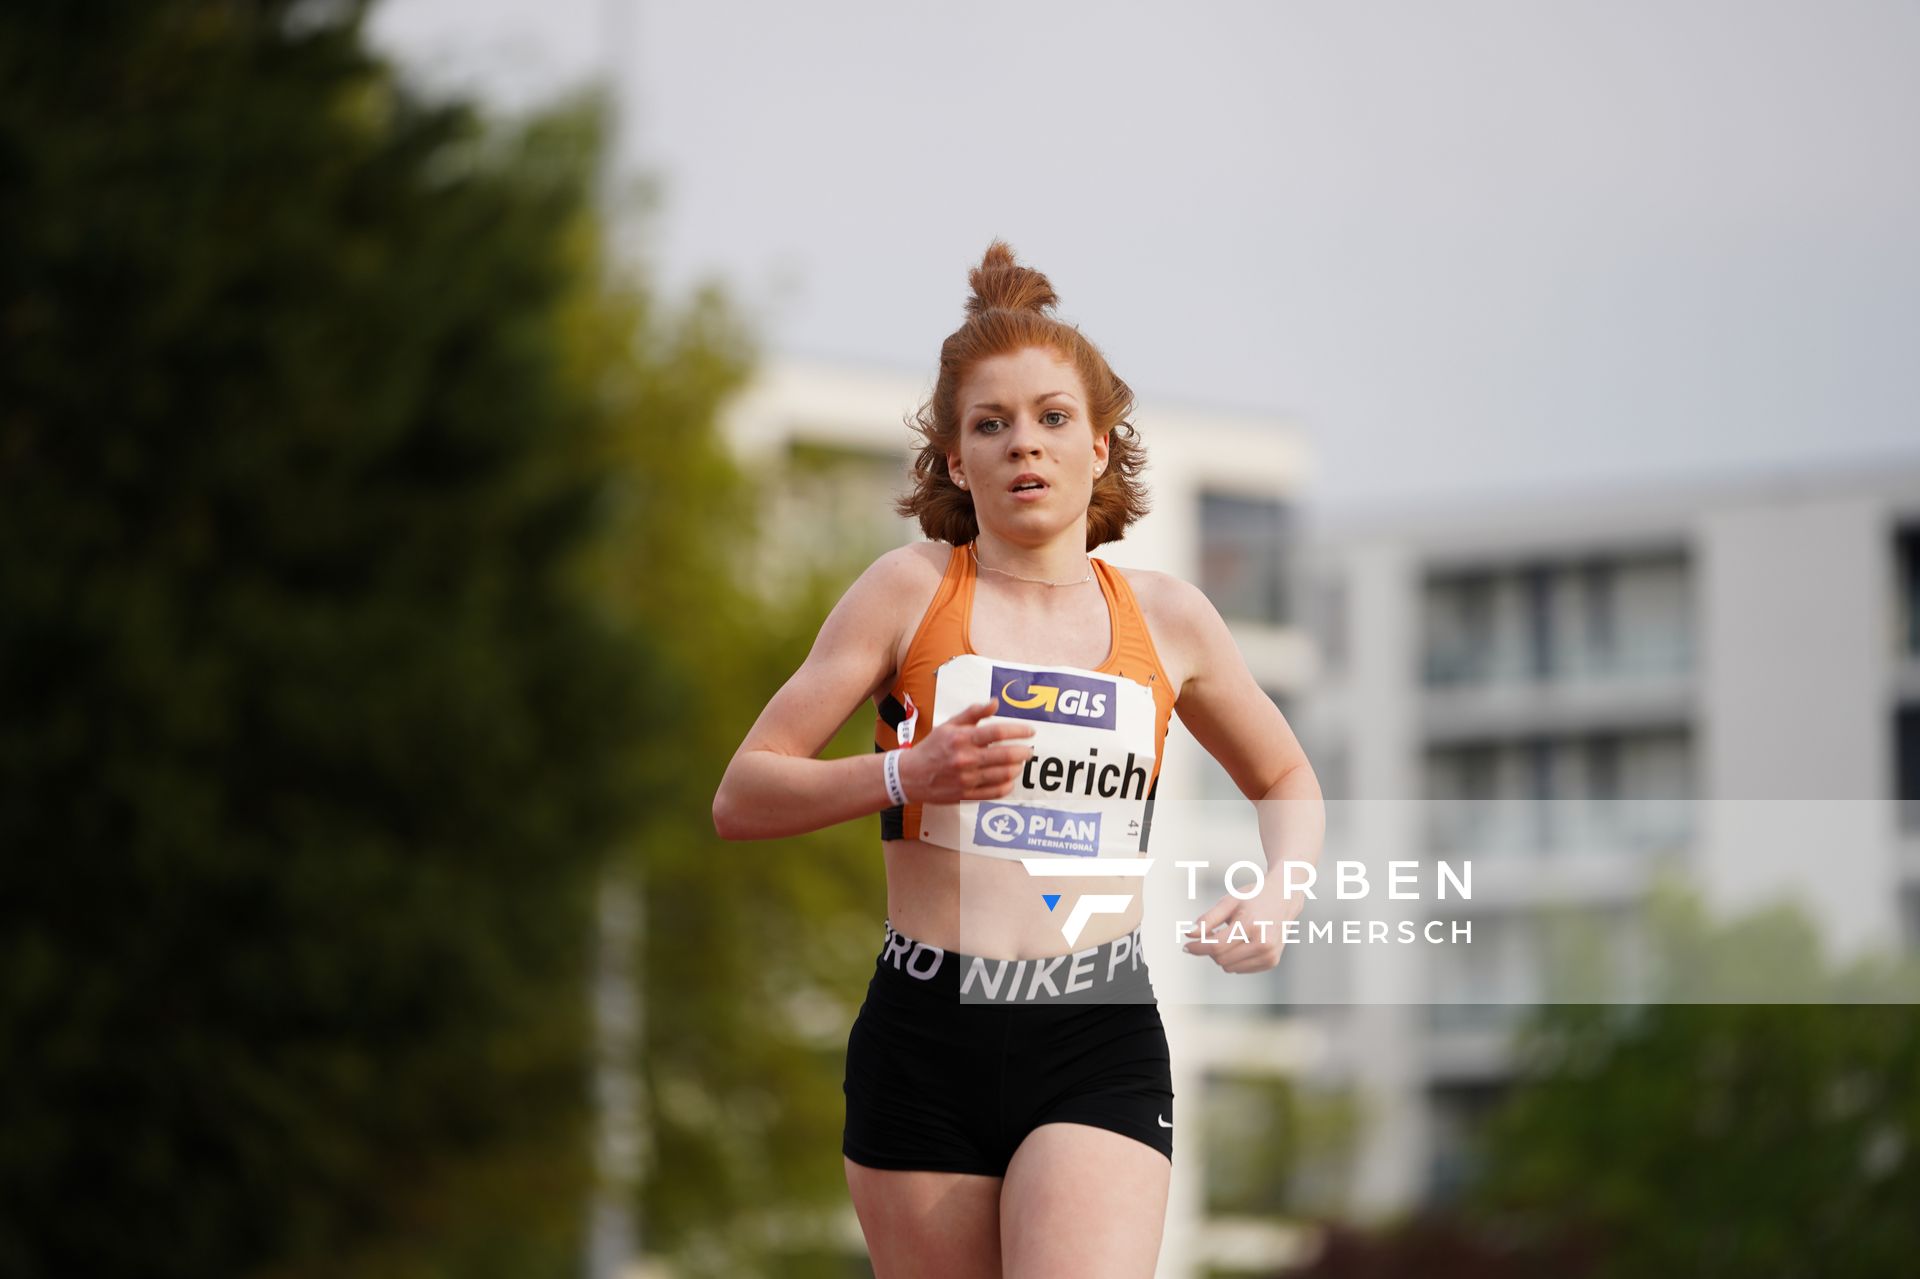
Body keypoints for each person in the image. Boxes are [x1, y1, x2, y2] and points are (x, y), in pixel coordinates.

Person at [712, 241, 1324, 1278]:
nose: (1020, 445)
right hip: (923, 1034)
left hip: (1093, 1033)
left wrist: (1280, 894)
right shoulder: (907, 591)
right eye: (988, 425)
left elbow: (1287, 780)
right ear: (955, 458)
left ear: (1099, 445)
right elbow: (744, 792)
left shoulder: (1170, 619)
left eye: (1049, 417)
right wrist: (910, 773)